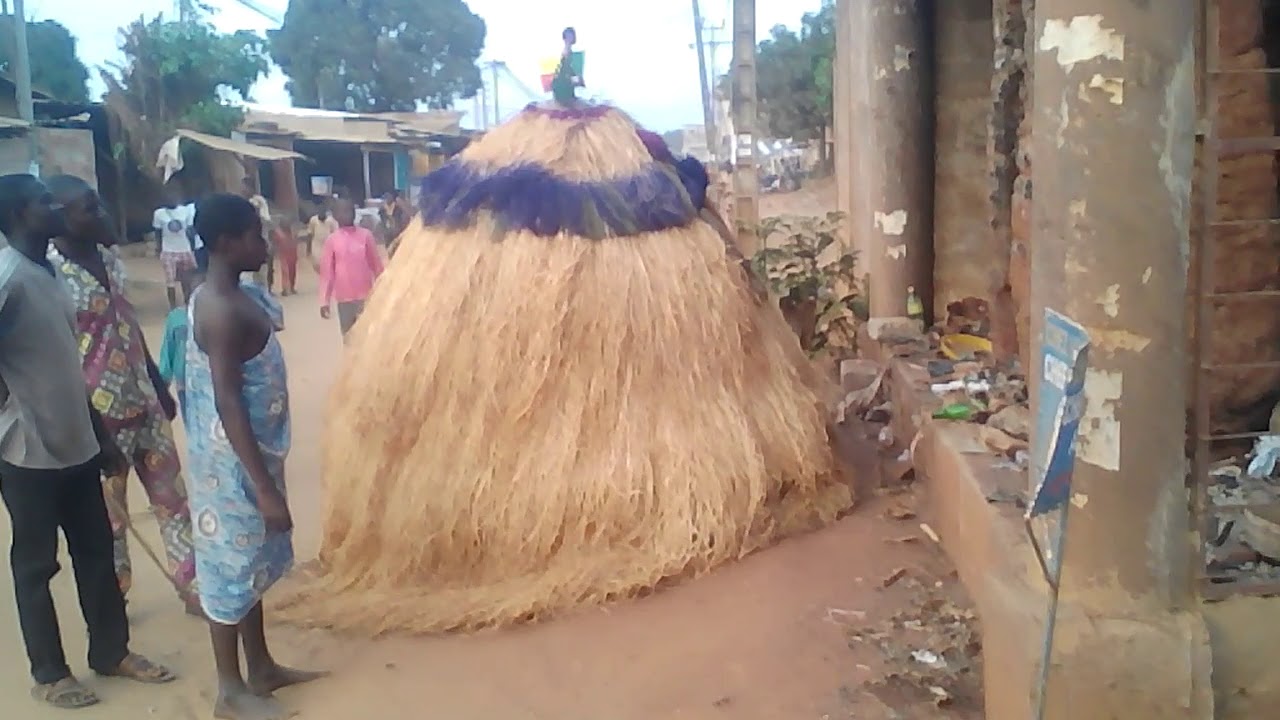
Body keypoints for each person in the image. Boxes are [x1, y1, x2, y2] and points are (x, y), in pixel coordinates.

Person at [0, 173, 176, 710]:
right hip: (26, 450)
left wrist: (100, 433)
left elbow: (69, 366)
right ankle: (51, 673)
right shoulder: (8, 277)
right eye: (44, 202)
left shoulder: (49, 273)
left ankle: (111, 652)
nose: (54, 207)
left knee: (96, 552)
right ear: (18, 216)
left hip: (76, 439)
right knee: (36, 565)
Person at [186, 193, 323, 720]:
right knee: (228, 570)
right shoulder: (219, 310)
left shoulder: (239, 295)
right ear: (225, 243)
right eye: (253, 235)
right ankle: (229, 689)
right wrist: (262, 486)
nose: (263, 244)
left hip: (255, 457)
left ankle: (261, 665)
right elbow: (227, 399)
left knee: (251, 567)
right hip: (233, 468)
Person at [45, 175, 201, 615]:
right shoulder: (50, 274)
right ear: (60, 217)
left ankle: (192, 588)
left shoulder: (111, 260)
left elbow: (128, 326)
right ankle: (116, 601)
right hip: (98, 414)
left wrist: (157, 382)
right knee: (111, 519)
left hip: (144, 401)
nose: (102, 216)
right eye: (88, 209)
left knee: (173, 499)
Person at [319, 197, 384, 339]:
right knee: (348, 337)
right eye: (342, 211)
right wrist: (324, 301)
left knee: (368, 335)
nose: (347, 214)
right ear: (335, 215)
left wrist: (384, 290)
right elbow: (327, 274)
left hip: (366, 296)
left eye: (350, 211)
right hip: (344, 300)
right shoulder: (332, 240)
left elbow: (377, 266)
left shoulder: (366, 236)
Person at [152, 188, 197, 309]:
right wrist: (158, 248)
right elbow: (158, 232)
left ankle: (187, 304)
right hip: (168, 251)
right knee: (170, 281)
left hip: (184, 249)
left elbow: (190, 230)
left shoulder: (185, 211)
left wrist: (192, 247)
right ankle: (173, 308)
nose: (170, 198)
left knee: (186, 280)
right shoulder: (159, 214)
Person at [241, 178, 275, 292]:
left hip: (260, 240)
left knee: (262, 273)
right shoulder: (241, 203)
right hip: (246, 244)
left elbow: (267, 221)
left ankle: (265, 292)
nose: (243, 189)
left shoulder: (259, 202)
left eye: (245, 187)